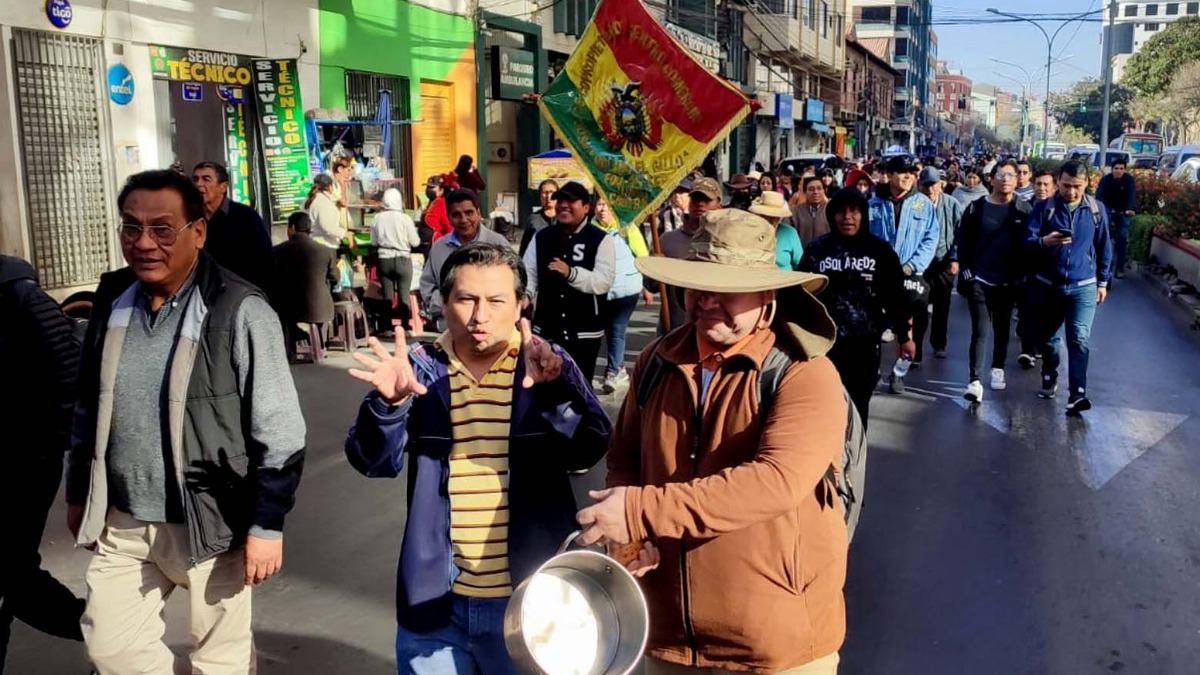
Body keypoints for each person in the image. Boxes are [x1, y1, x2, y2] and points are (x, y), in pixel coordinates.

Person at [581, 208, 849, 675]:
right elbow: (624, 460)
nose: (707, 300)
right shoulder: (656, 361)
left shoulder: (805, 373)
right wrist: (630, 540)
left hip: (773, 647)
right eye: (698, 284)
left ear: (768, 292)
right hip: (663, 637)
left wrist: (639, 510)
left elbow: (775, 482)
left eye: (727, 290)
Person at [67, 170, 307, 674]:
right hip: (125, 521)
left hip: (213, 521)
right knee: (110, 649)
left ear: (198, 232)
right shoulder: (113, 299)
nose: (144, 243)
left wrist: (267, 523)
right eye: (131, 228)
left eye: (162, 229)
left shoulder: (239, 308)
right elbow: (89, 405)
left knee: (220, 660)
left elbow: (280, 428)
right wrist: (78, 493)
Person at [344, 243, 612, 674]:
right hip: (435, 604)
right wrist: (388, 406)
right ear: (443, 303)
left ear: (522, 305)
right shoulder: (420, 370)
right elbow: (373, 461)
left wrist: (554, 391)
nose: (479, 316)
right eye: (466, 299)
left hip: (534, 601)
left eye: (496, 301)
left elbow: (589, 447)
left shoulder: (545, 363)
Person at [0, 255, 84, 673]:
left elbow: (68, 371)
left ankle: (110, 635)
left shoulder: (16, 290)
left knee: (12, 573)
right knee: (12, 574)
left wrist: (42, 446)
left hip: (22, 463)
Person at [801, 190, 915, 423]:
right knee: (824, 403)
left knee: (857, 404)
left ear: (863, 215)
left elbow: (895, 295)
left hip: (863, 343)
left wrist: (905, 336)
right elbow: (801, 293)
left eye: (854, 211)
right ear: (832, 215)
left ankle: (854, 456)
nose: (847, 217)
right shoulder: (817, 249)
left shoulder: (879, 251)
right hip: (822, 341)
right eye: (841, 211)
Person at [1026, 161, 1112, 414]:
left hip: (1083, 285)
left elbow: (1104, 246)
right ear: (1058, 182)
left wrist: (1103, 281)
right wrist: (1045, 241)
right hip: (1048, 285)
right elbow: (1028, 241)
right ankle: (1049, 374)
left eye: (1076, 186)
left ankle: (1077, 393)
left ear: (1086, 183)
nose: (1071, 192)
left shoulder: (1096, 210)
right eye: (1065, 186)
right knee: (1049, 340)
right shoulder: (1044, 209)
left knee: (1078, 338)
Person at [955, 160, 1033, 402]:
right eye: (1002, 174)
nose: (1007, 179)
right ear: (991, 178)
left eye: (1012, 175)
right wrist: (967, 272)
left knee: (1002, 328)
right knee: (980, 329)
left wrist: (1023, 276)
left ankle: (997, 369)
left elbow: (1029, 245)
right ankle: (974, 380)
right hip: (979, 278)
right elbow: (963, 242)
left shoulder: (1023, 209)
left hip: (1008, 281)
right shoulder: (976, 208)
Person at [523, 181, 616, 383]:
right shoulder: (541, 237)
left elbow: (603, 281)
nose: (563, 205)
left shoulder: (600, 239)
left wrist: (572, 274)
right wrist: (525, 295)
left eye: (570, 201)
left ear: (585, 207)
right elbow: (528, 273)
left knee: (579, 389)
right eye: (560, 201)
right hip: (547, 329)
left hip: (584, 333)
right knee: (545, 389)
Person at [869, 155, 939, 393]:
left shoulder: (923, 204)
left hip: (910, 275)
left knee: (906, 329)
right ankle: (873, 370)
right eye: (902, 171)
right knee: (874, 326)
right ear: (890, 174)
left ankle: (898, 373)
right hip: (879, 276)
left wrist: (912, 265)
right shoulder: (874, 204)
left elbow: (931, 239)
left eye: (911, 171)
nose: (908, 176)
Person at [419, 189, 511, 332]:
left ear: (478, 213)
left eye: (469, 213)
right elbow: (427, 284)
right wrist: (443, 305)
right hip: (451, 330)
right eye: (456, 215)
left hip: (492, 328)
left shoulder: (497, 243)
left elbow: (515, 283)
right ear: (449, 218)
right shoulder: (439, 247)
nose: (463, 220)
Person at [649, 177, 722, 334]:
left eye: (706, 199)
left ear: (719, 205)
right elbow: (651, 285)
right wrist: (655, 269)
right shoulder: (667, 241)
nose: (700, 204)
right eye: (695, 198)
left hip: (714, 332)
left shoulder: (727, 241)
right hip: (673, 332)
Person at [191, 161, 276, 296]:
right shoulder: (189, 218)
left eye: (206, 179)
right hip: (199, 296)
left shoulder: (246, 217)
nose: (199, 184)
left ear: (223, 187)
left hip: (240, 295)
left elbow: (265, 264)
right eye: (195, 179)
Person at [600, 211, 653, 393]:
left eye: (606, 206)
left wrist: (646, 287)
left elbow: (643, 257)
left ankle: (612, 372)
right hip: (601, 289)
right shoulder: (590, 228)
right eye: (599, 205)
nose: (602, 210)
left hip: (626, 289)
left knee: (617, 329)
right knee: (608, 329)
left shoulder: (627, 228)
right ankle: (620, 366)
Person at [918, 167, 964, 360]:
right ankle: (916, 350)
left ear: (940, 185)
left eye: (933, 184)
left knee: (942, 306)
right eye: (926, 185)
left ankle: (939, 344)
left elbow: (960, 235)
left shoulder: (952, 204)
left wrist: (955, 258)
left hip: (943, 262)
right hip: (920, 263)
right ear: (920, 186)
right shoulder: (915, 205)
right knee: (918, 305)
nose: (930, 189)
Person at [274, 211, 339, 333]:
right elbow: (335, 278)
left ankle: (291, 346)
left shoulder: (278, 251)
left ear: (292, 228)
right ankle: (320, 344)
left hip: (289, 309)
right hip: (321, 309)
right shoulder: (326, 251)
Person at [371, 188, 421, 332]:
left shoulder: (377, 218)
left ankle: (386, 327)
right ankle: (404, 326)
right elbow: (415, 242)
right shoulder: (405, 218)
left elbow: (374, 242)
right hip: (403, 259)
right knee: (404, 295)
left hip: (384, 259)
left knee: (387, 296)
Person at [1096, 158, 1137, 279]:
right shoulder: (1106, 180)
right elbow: (1099, 196)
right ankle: (1104, 266)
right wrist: (1101, 209)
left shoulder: (1129, 180)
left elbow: (1131, 196)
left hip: (1123, 211)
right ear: (1112, 169)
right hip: (1108, 210)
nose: (1119, 171)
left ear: (1125, 170)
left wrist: (1129, 209)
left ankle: (1119, 268)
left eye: (1121, 169)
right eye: (1116, 168)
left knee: (1122, 238)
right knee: (1105, 238)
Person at [751, 190, 804, 270]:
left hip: (786, 280)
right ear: (760, 215)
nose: (771, 221)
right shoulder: (750, 232)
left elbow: (800, 264)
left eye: (775, 217)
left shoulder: (790, 233)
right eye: (767, 216)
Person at [306, 174, 348, 251]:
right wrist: (345, 234)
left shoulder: (310, 199)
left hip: (312, 242)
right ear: (330, 187)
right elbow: (328, 227)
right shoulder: (323, 202)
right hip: (325, 245)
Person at [520, 179, 558, 257]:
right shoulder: (533, 219)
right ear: (540, 195)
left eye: (552, 192)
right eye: (545, 192)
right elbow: (524, 248)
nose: (548, 196)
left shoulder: (565, 218)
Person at [790, 175, 830, 246]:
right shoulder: (794, 212)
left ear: (824, 191)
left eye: (819, 188)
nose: (815, 192)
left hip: (826, 254)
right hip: (801, 254)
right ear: (805, 192)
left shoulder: (831, 209)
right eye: (811, 189)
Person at [422, 175, 453, 242]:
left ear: (441, 190)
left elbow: (448, 227)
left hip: (435, 244)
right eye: (428, 187)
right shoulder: (430, 202)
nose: (428, 189)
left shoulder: (442, 204)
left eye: (432, 187)